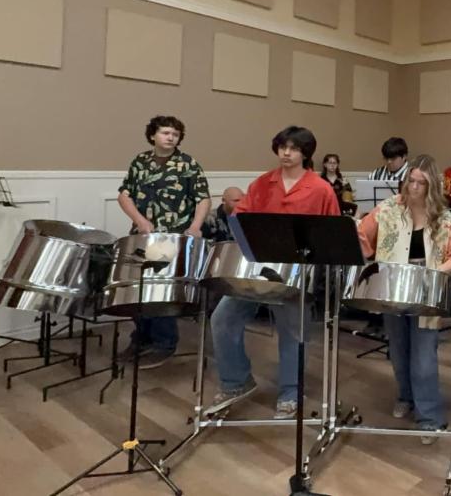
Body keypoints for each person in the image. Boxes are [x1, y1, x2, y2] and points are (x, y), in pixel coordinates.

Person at [208, 126, 340, 420]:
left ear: (305, 153)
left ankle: (291, 392)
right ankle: (235, 381)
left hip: (295, 273)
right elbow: (239, 218)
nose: (286, 153)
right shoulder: (263, 183)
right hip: (256, 268)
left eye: (293, 148)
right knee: (222, 319)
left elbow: (331, 232)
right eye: (282, 147)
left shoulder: (321, 189)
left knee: (292, 331)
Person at [357, 155, 451, 444]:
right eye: (410, 181)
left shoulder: (444, 218)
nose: (414, 187)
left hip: (426, 291)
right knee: (398, 349)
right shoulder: (389, 209)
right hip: (392, 289)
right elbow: (363, 236)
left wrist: (436, 273)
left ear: (432, 186)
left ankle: (430, 418)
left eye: (421, 183)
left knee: (423, 355)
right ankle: (406, 396)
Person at [116, 115, 210, 369]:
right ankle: (141, 339)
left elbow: (202, 198)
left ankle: (164, 342)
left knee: (159, 291)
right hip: (142, 236)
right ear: (152, 135)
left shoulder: (187, 164)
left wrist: (195, 227)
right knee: (137, 290)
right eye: (166, 133)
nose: (170, 137)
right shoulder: (140, 161)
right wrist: (140, 220)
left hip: (170, 238)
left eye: (175, 134)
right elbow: (124, 195)